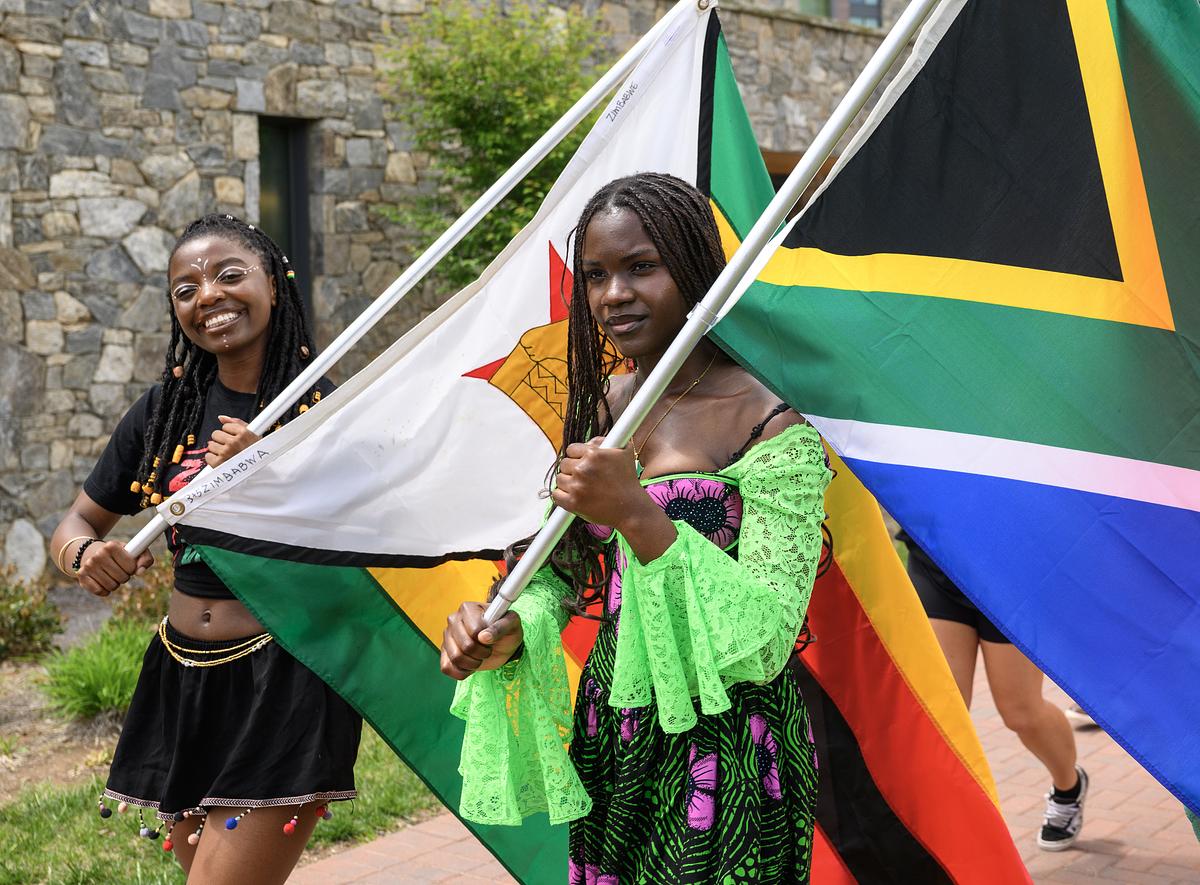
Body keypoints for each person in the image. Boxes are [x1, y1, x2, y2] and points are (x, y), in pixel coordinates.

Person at [441, 173, 831, 883]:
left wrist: (636, 512)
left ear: (693, 267)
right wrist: (505, 627)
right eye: (595, 275)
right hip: (617, 733)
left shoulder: (770, 420)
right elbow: (558, 575)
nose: (613, 293)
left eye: (640, 267)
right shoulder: (600, 411)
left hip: (729, 741)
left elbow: (769, 634)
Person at [50, 214, 361, 884]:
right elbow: (76, 520)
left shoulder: (320, 410)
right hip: (183, 679)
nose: (207, 295)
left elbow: (363, 539)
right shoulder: (165, 410)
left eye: (228, 275)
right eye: (185, 287)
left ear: (274, 286)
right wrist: (84, 556)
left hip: (286, 679)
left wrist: (269, 471)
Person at [900, 534, 1087, 851]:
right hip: (935, 556)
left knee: (1021, 713)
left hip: (1007, 567)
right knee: (944, 714)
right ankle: (951, 833)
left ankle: (1069, 786)